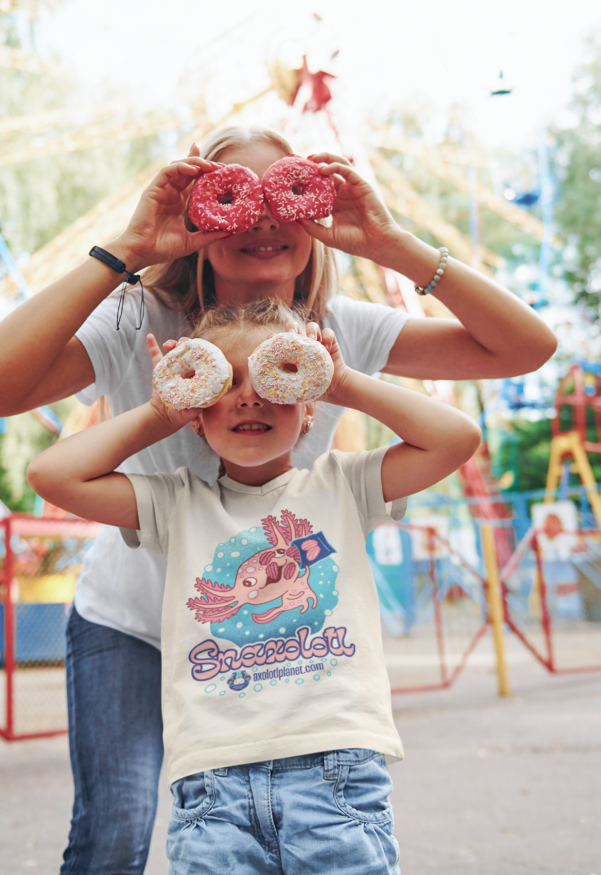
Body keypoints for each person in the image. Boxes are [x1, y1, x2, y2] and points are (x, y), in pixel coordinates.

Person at [0, 126, 557, 874]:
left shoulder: (338, 335)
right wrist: (129, 249)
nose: (264, 218)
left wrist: (391, 245)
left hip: (264, 640)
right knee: (113, 833)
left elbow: (526, 349)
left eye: (286, 196)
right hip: (135, 620)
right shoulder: (136, 321)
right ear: (199, 222)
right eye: (234, 198)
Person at [25, 300, 483, 874]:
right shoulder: (174, 503)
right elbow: (50, 475)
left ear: (310, 405)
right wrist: (159, 410)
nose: (249, 395)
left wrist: (342, 381)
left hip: (335, 773)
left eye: (276, 376)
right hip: (213, 785)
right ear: (196, 411)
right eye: (226, 380)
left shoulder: (345, 484)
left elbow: (457, 436)